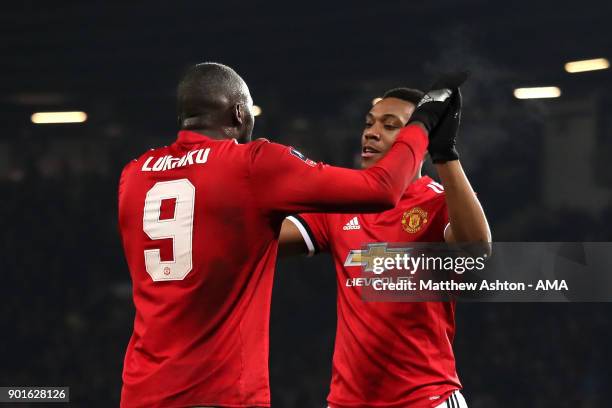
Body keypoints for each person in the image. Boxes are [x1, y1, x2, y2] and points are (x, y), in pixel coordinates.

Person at [117, 62, 460, 407]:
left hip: (142, 390)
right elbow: (381, 189)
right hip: (220, 391)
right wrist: (424, 124)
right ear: (239, 113)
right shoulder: (251, 164)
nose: (370, 133)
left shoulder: (133, 176)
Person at [279, 85, 491, 408]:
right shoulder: (341, 204)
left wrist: (445, 152)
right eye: (369, 123)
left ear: (420, 144)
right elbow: (264, 239)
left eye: (390, 126)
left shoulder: (438, 201)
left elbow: (477, 248)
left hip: (425, 400)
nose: (372, 134)